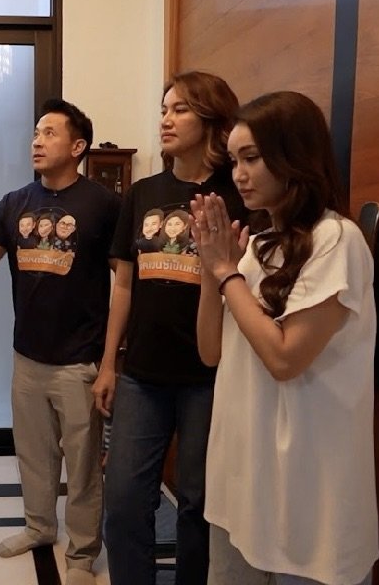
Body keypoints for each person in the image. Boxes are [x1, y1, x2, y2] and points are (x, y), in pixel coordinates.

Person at [193, 91, 378, 585]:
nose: (239, 174)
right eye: (234, 160)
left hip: (307, 486)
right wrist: (213, 273)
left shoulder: (337, 240)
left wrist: (227, 273)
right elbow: (210, 352)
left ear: (294, 155)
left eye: (251, 158)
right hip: (243, 477)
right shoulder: (256, 245)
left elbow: (285, 359)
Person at [0, 99, 120, 585]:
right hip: (28, 356)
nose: (37, 141)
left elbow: (124, 280)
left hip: (80, 360)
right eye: (36, 133)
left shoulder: (102, 205)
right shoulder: (14, 202)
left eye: (49, 133)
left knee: (83, 465)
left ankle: (82, 552)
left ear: (78, 147)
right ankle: (40, 527)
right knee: (35, 455)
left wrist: (109, 362)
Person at [93, 71, 247, 585]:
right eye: (164, 108)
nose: (166, 119)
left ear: (211, 120)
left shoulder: (239, 195)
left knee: (199, 506)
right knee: (123, 501)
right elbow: (123, 285)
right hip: (143, 374)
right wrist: (109, 364)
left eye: (180, 109)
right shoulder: (143, 193)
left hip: (212, 377)